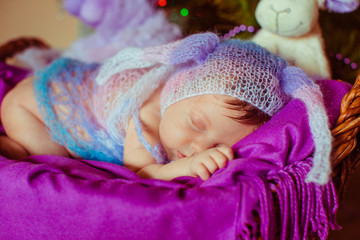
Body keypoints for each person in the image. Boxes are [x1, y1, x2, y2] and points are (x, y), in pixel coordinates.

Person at [0, 33, 331, 184]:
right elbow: (142, 173)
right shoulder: (144, 120)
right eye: (198, 125)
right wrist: (183, 169)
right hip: (34, 107)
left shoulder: (188, 107)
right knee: (42, 153)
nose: (198, 147)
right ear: (177, 92)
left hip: (49, 91)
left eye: (219, 145)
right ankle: (11, 146)